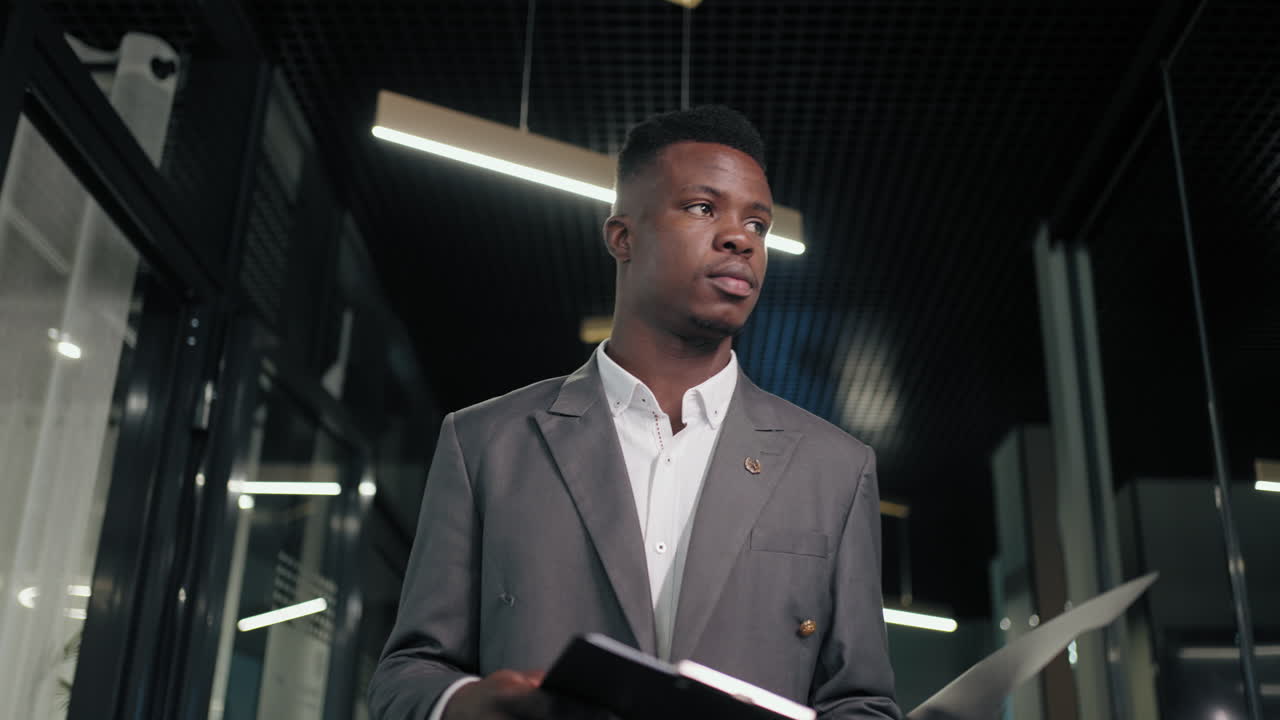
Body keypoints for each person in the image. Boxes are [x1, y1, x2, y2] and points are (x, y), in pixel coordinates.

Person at [369, 106, 901, 720]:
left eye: (758, 223)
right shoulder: (484, 442)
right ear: (622, 237)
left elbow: (861, 700)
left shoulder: (836, 468)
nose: (740, 237)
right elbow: (405, 674)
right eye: (704, 208)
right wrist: (463, 704)